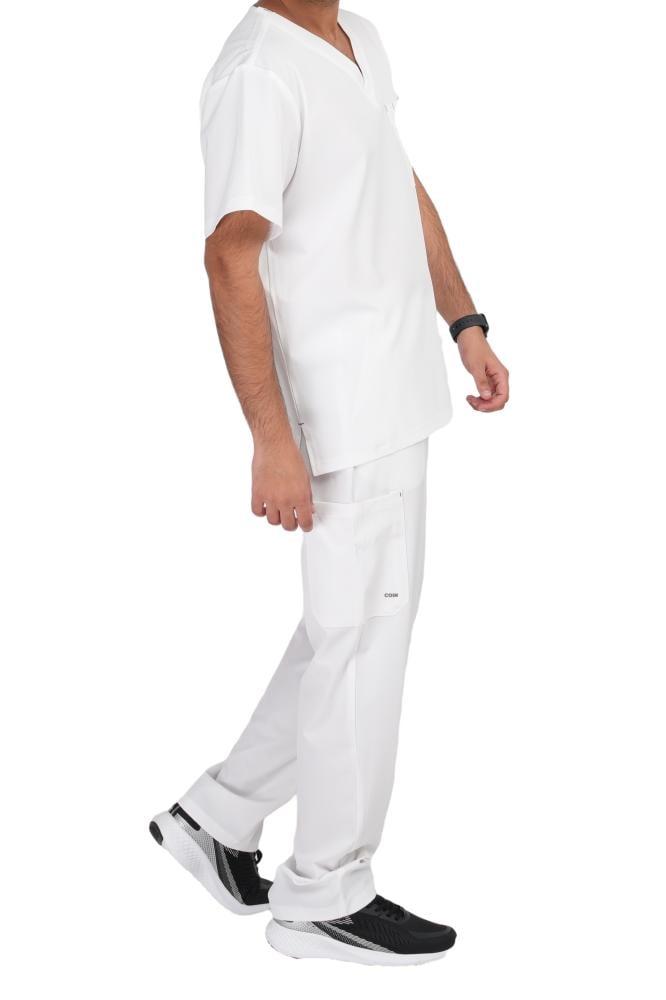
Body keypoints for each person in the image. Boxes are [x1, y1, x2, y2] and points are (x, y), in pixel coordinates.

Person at [150, 0, 509, 966]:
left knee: (342, 631)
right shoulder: (258, 72)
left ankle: (216, 819)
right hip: (341, 414)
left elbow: (397, 181)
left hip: (398, 395)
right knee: (360, 648)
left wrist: (464, 320)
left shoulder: (357, 40)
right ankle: (322, 894)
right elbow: (230, 251)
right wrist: (271, 438)